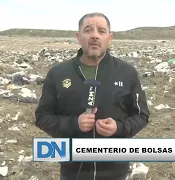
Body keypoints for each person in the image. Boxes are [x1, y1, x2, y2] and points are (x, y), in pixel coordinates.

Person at [34, 12, 150, 180]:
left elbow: (142, 115)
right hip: (72, 171)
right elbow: (42, 117)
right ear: (78, 36)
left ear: (110, 38)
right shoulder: (58, 73)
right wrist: (74, 124)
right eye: (88, 30)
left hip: (116, 171)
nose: (95, 35)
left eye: (101, 31)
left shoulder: (127, 73)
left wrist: (119, 128)